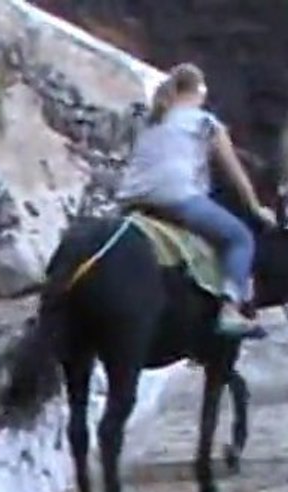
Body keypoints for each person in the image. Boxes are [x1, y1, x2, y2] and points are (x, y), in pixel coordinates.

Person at [117, 62, 276, 337]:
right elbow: (235, 172)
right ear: (199, 93)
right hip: (177, 199)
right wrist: (256, 208)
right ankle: (230, 311)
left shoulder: (149, 119)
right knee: (240, 238)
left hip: (132, 200)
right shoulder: (206, 123)